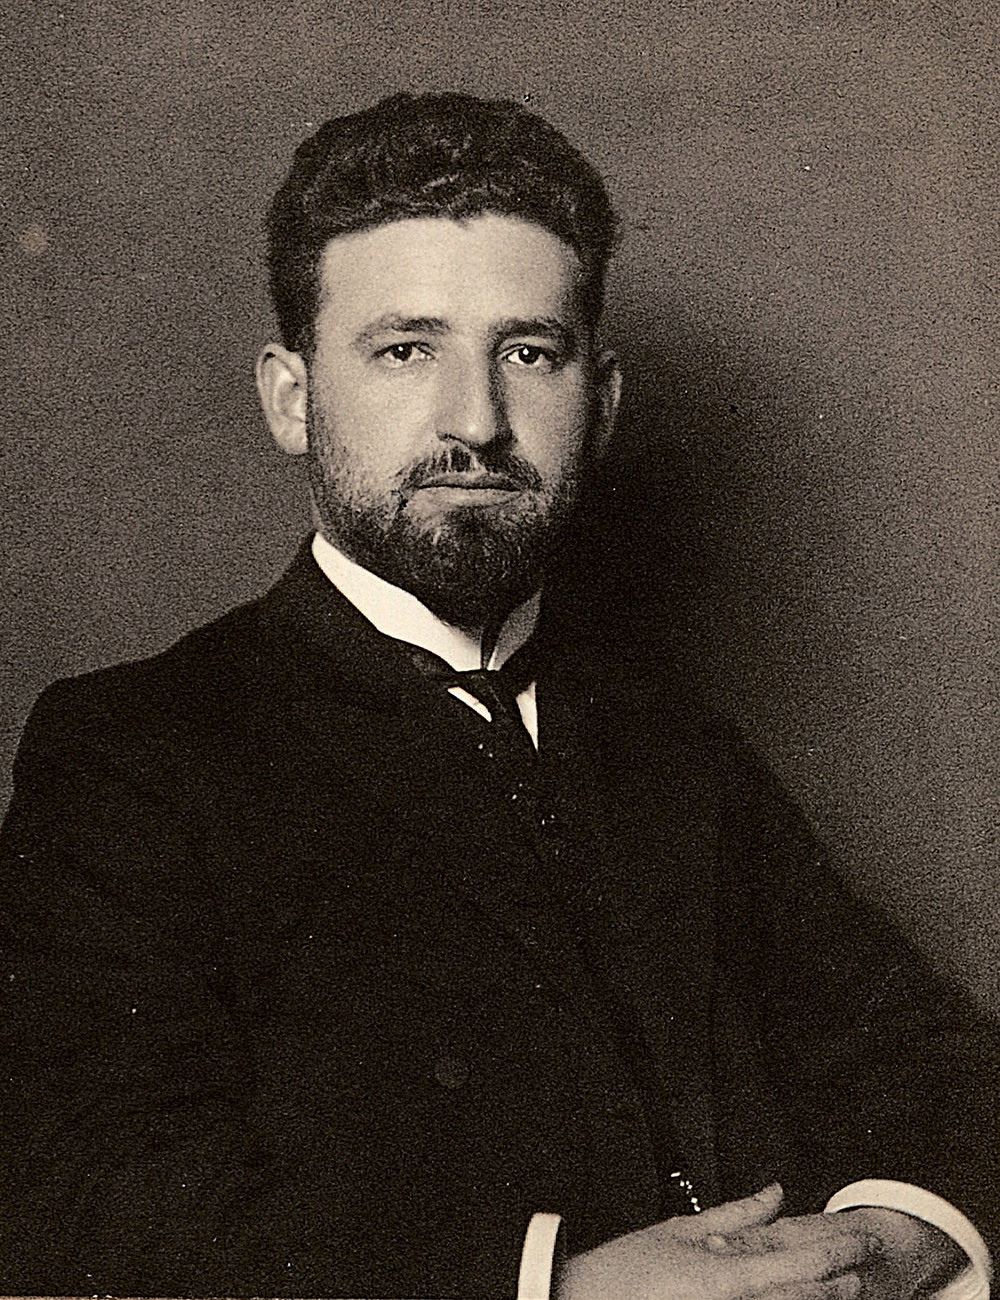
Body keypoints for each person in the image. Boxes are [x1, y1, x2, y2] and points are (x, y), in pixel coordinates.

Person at [0, 92, 996, 1300]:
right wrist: (554, 1288)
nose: (475, 421)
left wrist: (880, 1246)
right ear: (291, 397)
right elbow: (89, 1188)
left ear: (602, 402)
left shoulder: (672, 744)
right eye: (405, 350)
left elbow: (936, 1065)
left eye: (528, 352)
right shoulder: (133, 752)